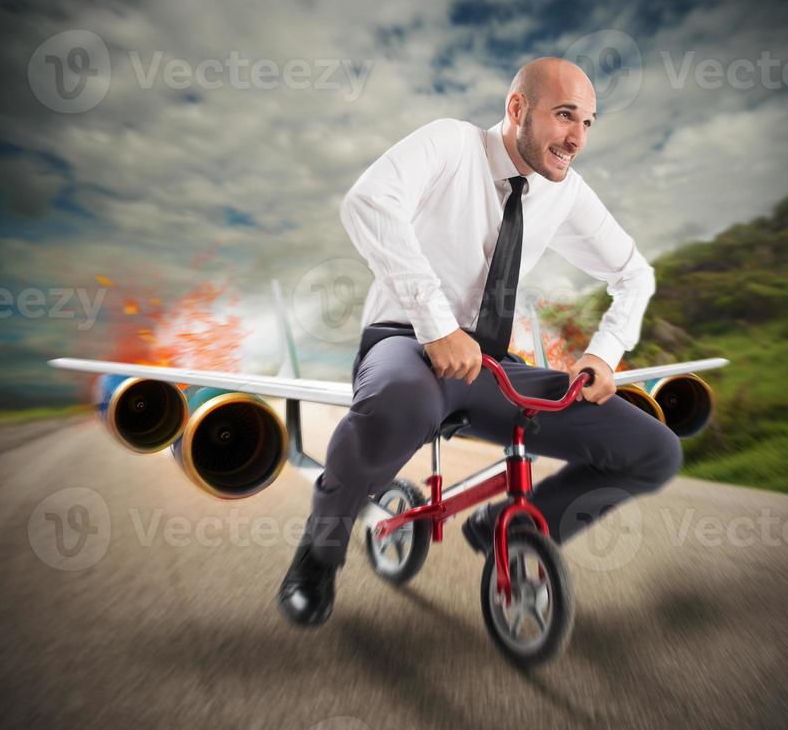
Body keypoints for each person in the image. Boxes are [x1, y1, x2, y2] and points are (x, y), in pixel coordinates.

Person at [277, 56, 682, 627]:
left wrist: (603, 354)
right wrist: (436, 324)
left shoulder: (565, 193)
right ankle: (318, 554)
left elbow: (634, 274)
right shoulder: (451, 145)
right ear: (518, 109)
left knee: (655, 451)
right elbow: (369, 201)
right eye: (565, 116)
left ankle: (510, 528)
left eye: (588, 123)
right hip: (406, 344)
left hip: (491, 365)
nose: (576, 138)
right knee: (404, 401)